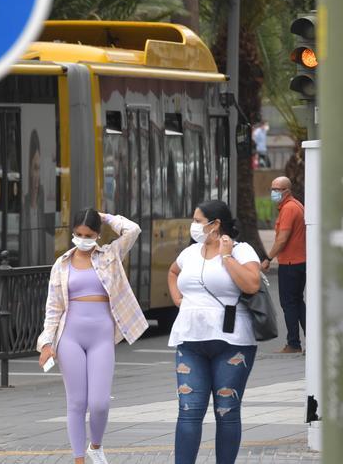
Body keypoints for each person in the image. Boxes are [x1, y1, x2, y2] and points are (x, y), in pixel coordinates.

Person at [37, 209, 148, 464]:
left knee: (99, 403)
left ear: (98, 235)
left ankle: (95, 446)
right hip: (70, 336)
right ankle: (79, 458)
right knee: (76, 402)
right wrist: (46, 343)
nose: (83, 239)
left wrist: (107, 217)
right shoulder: (62, 264)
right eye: (77, 234)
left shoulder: (110, 254)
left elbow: (133, 230)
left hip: (102, 336)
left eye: (88, 234)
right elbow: (53, 308)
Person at [167, 200, 261, 464]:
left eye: (198, 220)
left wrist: (227, 256)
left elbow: (252, 284)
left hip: (232, 342)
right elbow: (173, 273)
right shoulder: (190, 253)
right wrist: (178, 300)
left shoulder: (242, 250)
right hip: (190, 339)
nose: (194, 225)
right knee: (188, 411)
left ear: (215, 224)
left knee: (226, 411)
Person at [262, 176, 306, 354]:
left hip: (290, 262)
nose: (274, 192)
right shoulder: (296, 205)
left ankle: (293, 344)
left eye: (277, 189)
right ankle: (309, 340)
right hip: (299, 261)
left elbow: (282, 239)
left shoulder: (289, 209)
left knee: (288, 303)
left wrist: (268, 258)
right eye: (272, 188)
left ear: (287, 191)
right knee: (297, 302)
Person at [21, 129, 47, 266]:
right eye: (35, 168)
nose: (37, 176)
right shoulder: (23, 207)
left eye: (39, 169)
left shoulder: (42, 205)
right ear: (29, 170)